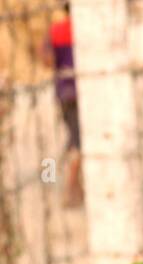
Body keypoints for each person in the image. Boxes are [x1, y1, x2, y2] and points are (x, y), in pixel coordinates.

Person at [45, 3, 83, 207]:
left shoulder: (55, 31)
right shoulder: (84, 30)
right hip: (82, 92)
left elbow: (48, 60)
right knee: (79, 141)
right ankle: (71, 186)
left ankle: (75, 186)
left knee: (75, 137)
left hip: (63, 91)